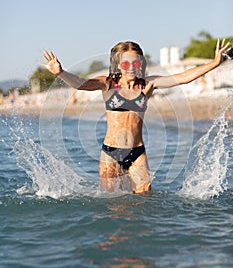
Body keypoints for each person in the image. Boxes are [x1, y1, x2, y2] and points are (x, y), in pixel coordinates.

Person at [39, 39, 230, 194]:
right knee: (115, 207)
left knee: (144, 200)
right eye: (126, 63)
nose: (131, 67)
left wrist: (214, 63)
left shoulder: (147, 84)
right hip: (111, 154)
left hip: (138, 153)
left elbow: (183, 77)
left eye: (136, 62)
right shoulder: (108, 84)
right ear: (118, 64)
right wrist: (61, 72)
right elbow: (80, 83)